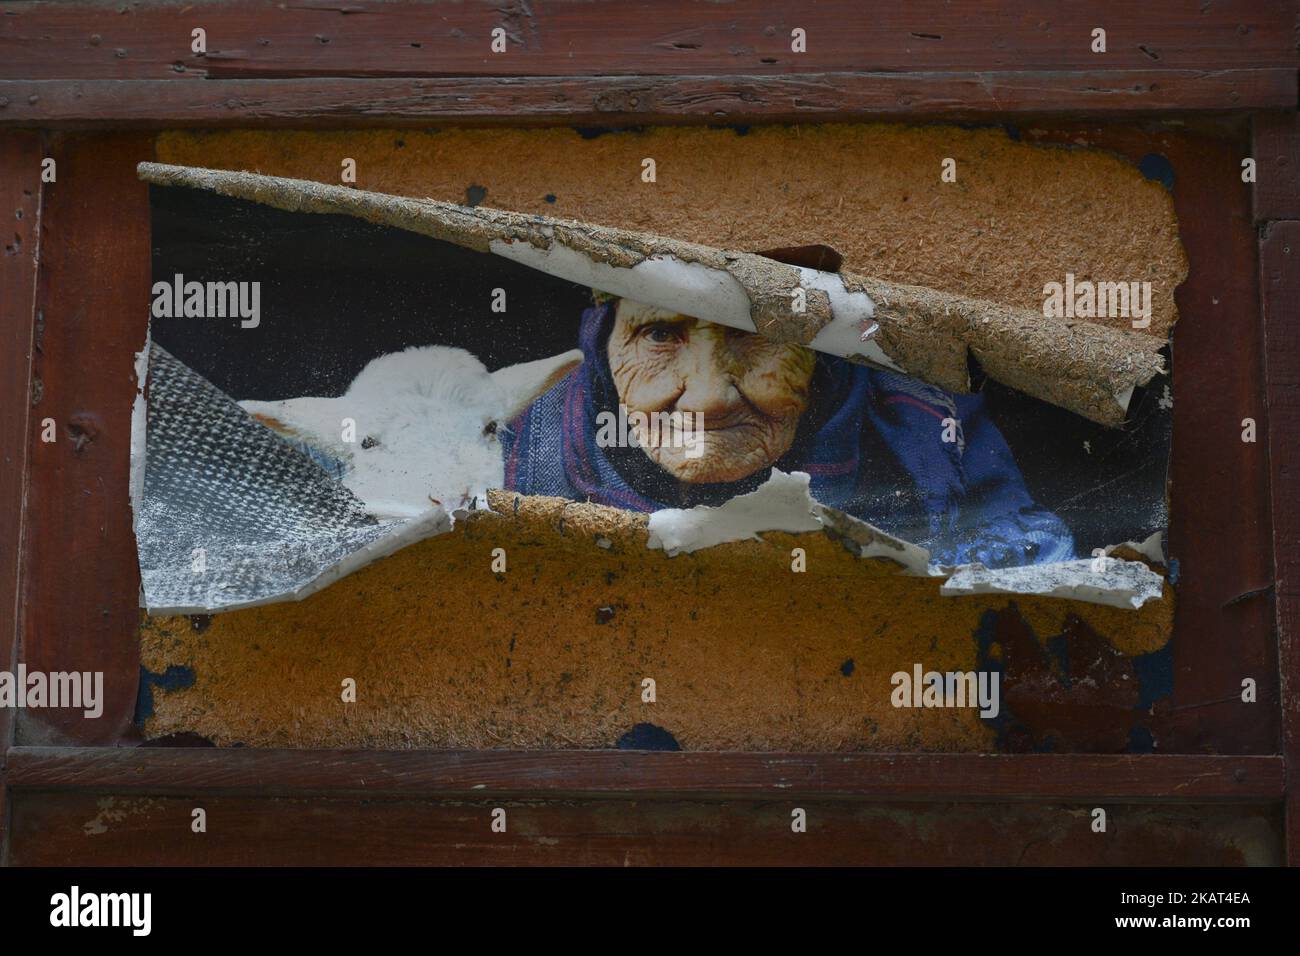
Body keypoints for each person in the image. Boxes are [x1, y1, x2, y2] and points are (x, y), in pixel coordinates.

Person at [501, 294, 1075, 568]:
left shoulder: (926, 426)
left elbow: (1036, 575)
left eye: (752, 333)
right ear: (603, 342)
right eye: (658, 335)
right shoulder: (516, 447)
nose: (708, 399)